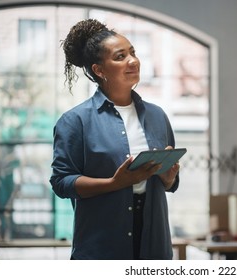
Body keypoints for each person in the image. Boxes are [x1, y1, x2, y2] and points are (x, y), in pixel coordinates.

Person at [49, 19, 180, 260]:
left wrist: (168, 178)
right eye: (120, 57)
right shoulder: (74, 121)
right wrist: (114, 183)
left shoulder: (157, 116)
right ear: (99, 70)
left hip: (154, 245)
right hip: (101, 247)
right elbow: (61, 182)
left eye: (133, 53)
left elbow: (169, 184)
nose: (133, 61)